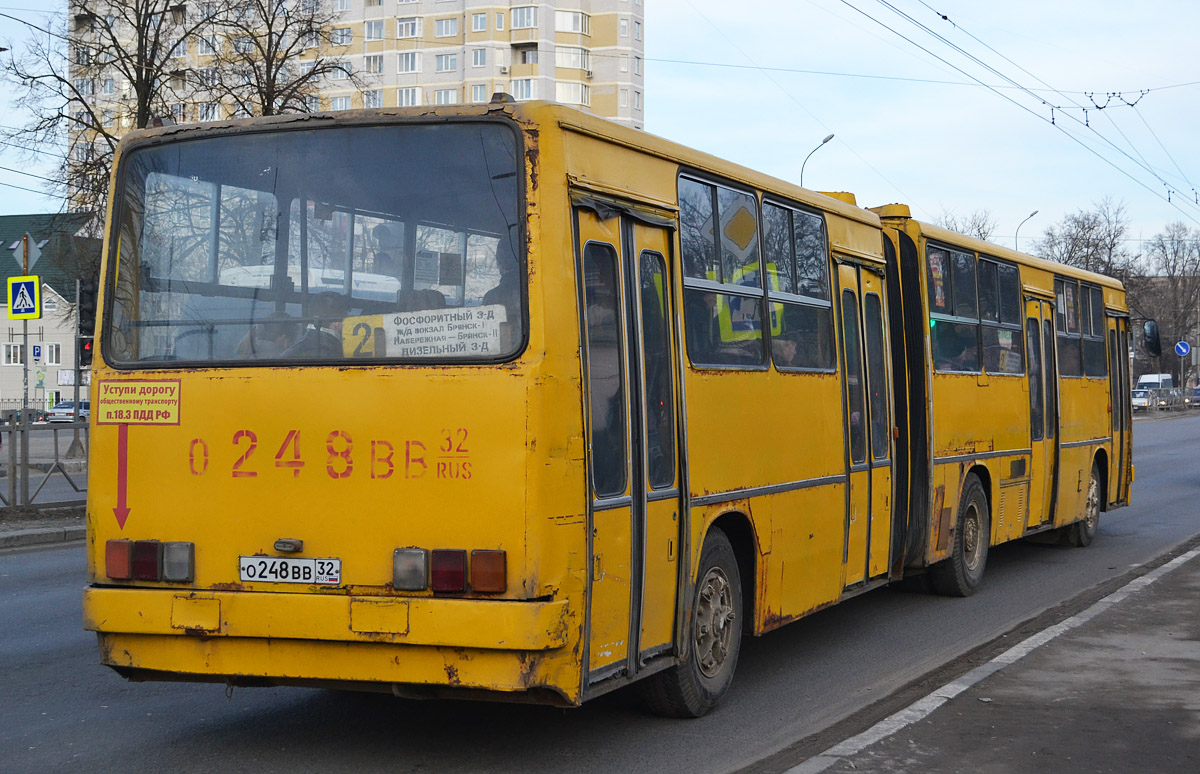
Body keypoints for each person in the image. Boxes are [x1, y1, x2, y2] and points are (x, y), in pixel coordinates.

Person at [282, 292, 349, 358]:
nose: (349, 322)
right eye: (346, 317)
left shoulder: (288, 353)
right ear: (337, 323)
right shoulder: (337, 353)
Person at [235, 312, 299, 359]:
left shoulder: (253, 346)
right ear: (283, 337)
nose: (289, 347)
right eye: (290, 342)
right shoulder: (277, 353)